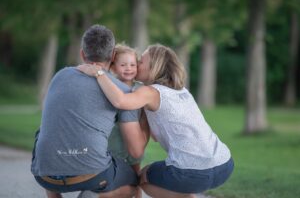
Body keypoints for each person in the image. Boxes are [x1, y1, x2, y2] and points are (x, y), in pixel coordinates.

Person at [77, 44, 234, 198]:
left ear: (154, 67)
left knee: (144, 177)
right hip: (224, 164)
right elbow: (156, 136)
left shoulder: (151, 92)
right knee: (169, 177)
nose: (137, 64)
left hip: (191, 172)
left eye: (141, 61)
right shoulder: (182, 91)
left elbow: (120, 101)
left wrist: (98, 73)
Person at [31, 24, 149, 198]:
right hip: (93, 176)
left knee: (42, 133)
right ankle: (93, 195)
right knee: (133, 180)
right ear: (113, 56)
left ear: (82, 54)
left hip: (44, 176)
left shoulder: (60, 76)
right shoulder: (123, 91)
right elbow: (135, 152)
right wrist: (146, 120)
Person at [108, 43, 144, 198]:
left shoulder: (141, 88)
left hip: (134, 136)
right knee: (114, 171)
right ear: (114, 67)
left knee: (136, 172)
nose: (128, 68)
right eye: (123, 65)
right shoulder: (111, 87)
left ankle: (138, 194)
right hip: (115, 137)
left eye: (132, 65)